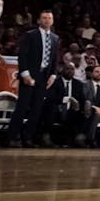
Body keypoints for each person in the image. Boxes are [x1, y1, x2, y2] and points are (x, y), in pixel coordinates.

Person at [7, 9, 60, 147]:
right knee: (22, 107)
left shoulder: (55, 38)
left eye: (49, 18)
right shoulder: (30, 35)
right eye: (44, 17)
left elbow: (55, 58)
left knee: (36, 109)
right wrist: (25, 74)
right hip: (30, 74)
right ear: (39, 20)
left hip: (44, 77)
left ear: (52, 21)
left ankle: (28, 137)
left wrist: (53, 75)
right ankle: (13, 137)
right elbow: (22, 55)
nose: (47, 20)